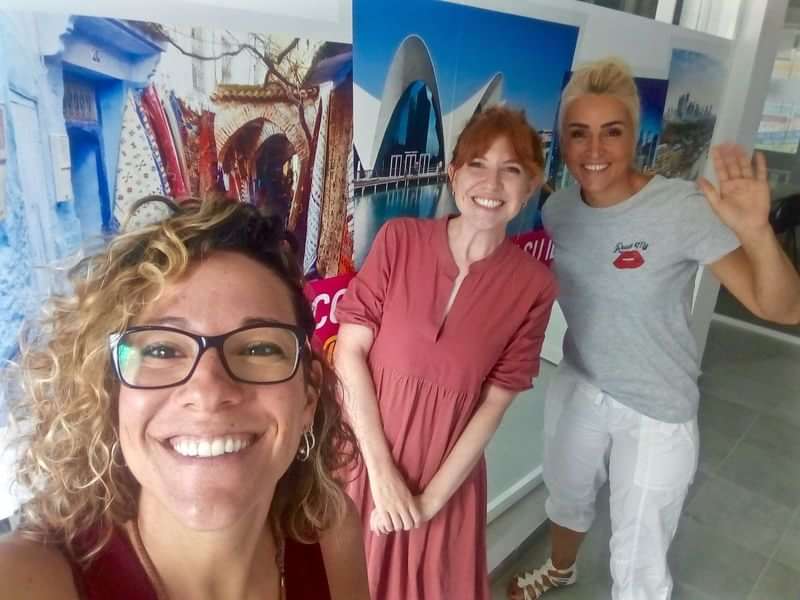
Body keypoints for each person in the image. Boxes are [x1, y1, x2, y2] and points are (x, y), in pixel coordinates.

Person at [507, 57, 800, 600]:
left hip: (656, 406)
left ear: (634, 136)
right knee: (567, 495)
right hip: (580, 381)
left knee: (638, 558)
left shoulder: (679, 208)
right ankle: (562, 569)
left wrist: (757, 233)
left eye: (611, 132)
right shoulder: (559, 211)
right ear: (563, 143)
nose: (594, 151)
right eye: (579, 134)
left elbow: (782, 309)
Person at [0, 198, 370, 600]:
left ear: (308, 396)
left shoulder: (330, 536)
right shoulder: (25, 580)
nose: (208, 391)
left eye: (259, 349)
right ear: (112, 392)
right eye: (162, 350)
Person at [334, 106, 558, 600]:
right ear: (454, 175)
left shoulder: (535, 285)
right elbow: (348, 354)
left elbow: (494, 404)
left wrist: (429, 503)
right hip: (365, 463)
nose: (492, 182)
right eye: (478, 163)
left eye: (512, 169)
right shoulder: (399, 240)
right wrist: (383, 474)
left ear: (531, 186)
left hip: (445, 484)